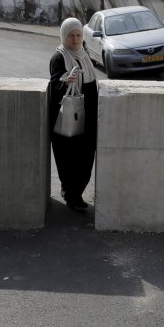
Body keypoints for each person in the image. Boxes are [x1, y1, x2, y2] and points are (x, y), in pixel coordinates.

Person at [47, 18, 98, 210]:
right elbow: (54, 87)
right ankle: (72, 196)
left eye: (78, 35)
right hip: (67, 119)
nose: (76, 39)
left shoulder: (84, 55)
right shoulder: (59, 58)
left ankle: (73, 193)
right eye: (71, 36)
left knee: (86, 159)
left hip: (87, 119)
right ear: (64, 36)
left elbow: (92, 87)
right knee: (68, 160)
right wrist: (66, 81)